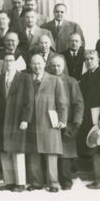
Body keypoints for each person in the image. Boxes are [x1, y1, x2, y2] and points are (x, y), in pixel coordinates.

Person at [25, 52, 68, 192]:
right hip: (32, 122)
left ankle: (53, 183)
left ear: (44, 64)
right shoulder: (27, 80)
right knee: (34, 153)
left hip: (49, 121)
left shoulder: (55, 80)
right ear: (30, 65)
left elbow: (62, 102)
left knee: (51, 152)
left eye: (39, 63)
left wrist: (62, 120)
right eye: (34, 63)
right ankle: (36, 182)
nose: (36, 66)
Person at [0, 51, 31, 192]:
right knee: (4, 151)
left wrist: (25, 119)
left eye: (11, 60)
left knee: (17, 152)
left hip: (17, 119)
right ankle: (9, 181)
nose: (8, 63)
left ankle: (20, 183)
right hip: (2, 120)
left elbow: (28, 101)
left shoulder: (25, 78)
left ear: (16, 62)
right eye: (6, 61)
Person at [50, 55, 84, 190]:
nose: (56, 68)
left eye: (58, 66)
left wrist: (76, 122)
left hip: (67, 122)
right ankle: (53, 180)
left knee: (65, 154)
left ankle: (66, 182)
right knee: (53, 152)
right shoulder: (47, 80)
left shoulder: (71, 82)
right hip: (50, 121)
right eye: (53, 66)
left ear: (63, 67)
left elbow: (78, 103)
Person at [77, 51, 100, 189]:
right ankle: (97, 177)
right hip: (87, 116)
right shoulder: (84, 77)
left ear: (98, 59)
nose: (89, 61)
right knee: (92, 147)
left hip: (99, 116)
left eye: (92, 58)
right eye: (86, 59)